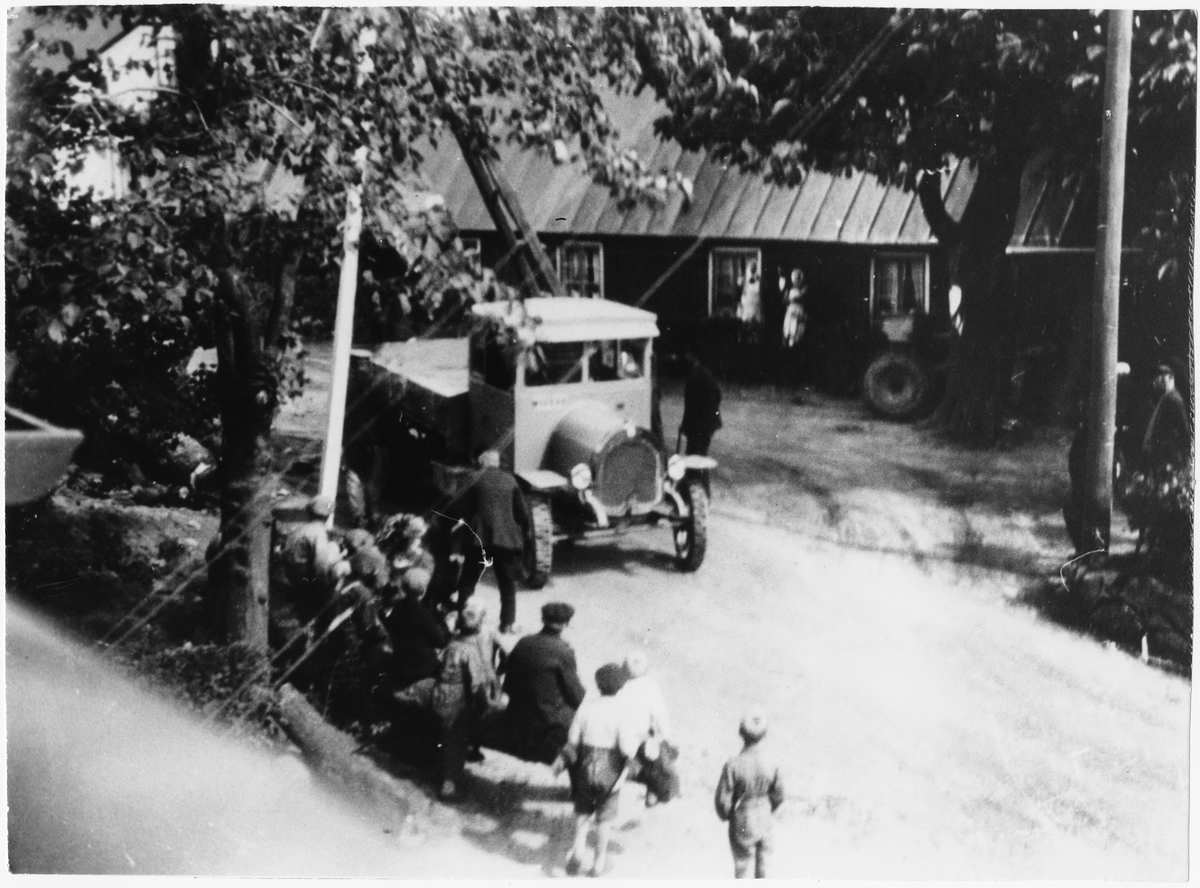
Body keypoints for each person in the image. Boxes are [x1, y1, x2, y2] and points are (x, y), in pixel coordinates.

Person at [557, 663, 641, 877]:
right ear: (621, 687)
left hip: (585, 767)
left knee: (583, 811)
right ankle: (598, 862)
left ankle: (577, 851)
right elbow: (627, 748)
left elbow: (572, 740)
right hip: (610, 772)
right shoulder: (622, 712)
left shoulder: (586, 709)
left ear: (598, 685)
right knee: (605, 817)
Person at [496, 602, 586, 764]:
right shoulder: (563, 650)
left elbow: (509, 683)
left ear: (543, 619)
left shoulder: (524, 642)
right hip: (546, 720)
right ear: (566, 624)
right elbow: (575, 694)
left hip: (517, 713)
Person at [455, 449, 531, 634]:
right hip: (505, 540)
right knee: (507, 583)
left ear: (481, 463)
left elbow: (462, 508)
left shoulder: (473, 478)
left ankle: (463, 621)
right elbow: (522, 514)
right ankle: (507, 623)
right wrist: (520, 531)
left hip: (478, 539)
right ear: (497, 463)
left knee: (468, 582)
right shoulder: (510, 480)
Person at [431, 599, 500, 800]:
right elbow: (477, 685)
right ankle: (448, 784)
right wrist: (486, 703)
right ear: (479, 623)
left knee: (446, 735)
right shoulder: (470, 651)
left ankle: (451, 767)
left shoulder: (453, 642)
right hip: (458, 700)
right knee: (456, 738)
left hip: (441, 694)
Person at [715, 708, 785, 879]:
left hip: (742, 820)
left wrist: (728, 814)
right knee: (764, 869)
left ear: (741, 733)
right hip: (764, 820)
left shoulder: (733, 765)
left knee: (742, 867)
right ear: (764, 734)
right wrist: (767, 807)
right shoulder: (772, 763)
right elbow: (779, 795)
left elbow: (722, 801)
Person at [619, 649, 679, 806]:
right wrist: (664, 737)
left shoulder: (618, 683)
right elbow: (660, 716)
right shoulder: (650, 686)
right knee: (666, 754)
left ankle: (633, 775)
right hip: (639, 739)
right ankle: (654, 790)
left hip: (618, 737)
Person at [279, 496, 348, 624]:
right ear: (327, 516)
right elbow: (320, 565)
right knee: (343, 565)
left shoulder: (302, 528)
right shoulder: (319, 533)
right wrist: (322, 587)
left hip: (291, 572)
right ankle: (323, 609)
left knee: (333, 547)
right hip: (304, 579)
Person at [381, 566, 451, 691]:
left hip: (399, 659)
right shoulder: (423, 614)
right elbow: (441, 641)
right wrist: (443, 621)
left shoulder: (397, 607)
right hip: (420, 666)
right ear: (423, 589)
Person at [1142, 360, 1191, 475]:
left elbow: (1183, 432)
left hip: (1167, 462)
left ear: (1170, 377)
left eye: (1160, 376)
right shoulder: (1166, 398)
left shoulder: (1173, 400)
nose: (1156, 380)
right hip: (1162, 460)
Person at [680, 352, 722, 458]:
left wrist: (686, 425)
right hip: (708, 424)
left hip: (699, 426)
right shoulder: (707, 374)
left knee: (694, 456)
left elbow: (691, 406)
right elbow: (718, 396)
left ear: (693, 357)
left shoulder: (694, 376)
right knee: (701, 453)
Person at [781, 267, 808, 350]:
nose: (797, 280)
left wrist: (793, 299)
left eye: (798, 278)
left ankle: (795, 346)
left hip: (799, 310)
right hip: (791, 310)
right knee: (789, 328)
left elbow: (800, 297)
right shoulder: (789, 289)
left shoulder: (804, 288)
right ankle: (788, 346)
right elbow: (784, 300)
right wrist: (789, 300)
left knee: (797, 328)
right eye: (795, 278)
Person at [737, 261, 764, 333]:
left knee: (755, 323)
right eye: (751, 267)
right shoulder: (745, 279)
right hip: (747, 303)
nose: (753, 269)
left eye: (754, 267)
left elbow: (760, 290)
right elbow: (741, 291)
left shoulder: (758, 278)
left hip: (755, 302)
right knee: (746, 322)